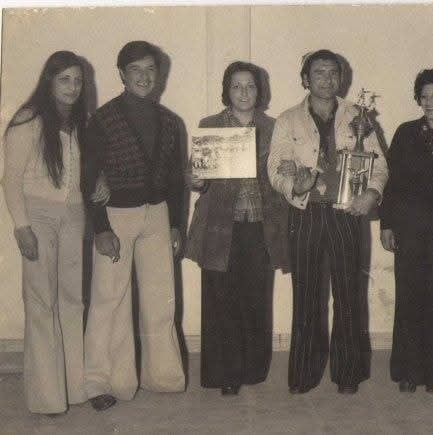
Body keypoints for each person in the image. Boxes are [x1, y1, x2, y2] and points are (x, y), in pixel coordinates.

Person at [267, 49, 388, 394]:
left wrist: (372, 193)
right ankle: (304, 374)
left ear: (341, 79)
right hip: (305, 212)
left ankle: (348, 374)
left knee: (349, 293)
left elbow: (379, 164)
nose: (327, 79)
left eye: (333, 72)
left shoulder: (359, 116)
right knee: (306, 293)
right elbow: (275, 169)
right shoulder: (288, 119)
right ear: (305, 79)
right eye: (318, 73)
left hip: (346, 213)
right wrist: (295, 185)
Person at [81, 41, 185, 411]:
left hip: (157, 215)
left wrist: (176, 225)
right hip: (116, 216)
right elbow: (89, 177)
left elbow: (176, 179)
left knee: (160, 299)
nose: (144, 76)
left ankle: (162, 376)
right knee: (110, 299)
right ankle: (102, 382)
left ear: (160, 75)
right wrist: (101, 228)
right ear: (122, 74)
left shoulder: (171, 122)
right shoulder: (102, 119)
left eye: (150, 69)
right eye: (136, 70)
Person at [1, 51, 106, 415]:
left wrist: (101, 180)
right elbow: (10, 181)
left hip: (73, 216)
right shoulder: (28, 120)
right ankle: (47, 397)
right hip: (38, 217)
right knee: (42, 303)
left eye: (78, 80)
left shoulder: (81, 122)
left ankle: (75, 388)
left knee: (72, 300)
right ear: (49, 80)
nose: (72, 87)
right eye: (65, 79)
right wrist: (22, 227)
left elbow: (86, 169)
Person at [184, 61, 289, 395]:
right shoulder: (210, 125)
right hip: (220, 226)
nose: (244, 92)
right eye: (236, 86)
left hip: (261, 225)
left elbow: (282, 174)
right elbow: (195, 177)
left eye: (250, 86)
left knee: (256, 298)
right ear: (226, 91)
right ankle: (224, 375)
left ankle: (253, 370)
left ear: (260, 91)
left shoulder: (275, 127)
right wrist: (194, 179)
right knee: (220, 299)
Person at [380, 68, 433, 395]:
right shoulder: (405, 132)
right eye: (423, 96)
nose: (428, 102)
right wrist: (386, 224)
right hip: (409, 228)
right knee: (409, 298)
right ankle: (407, 371)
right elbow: (390, 183)